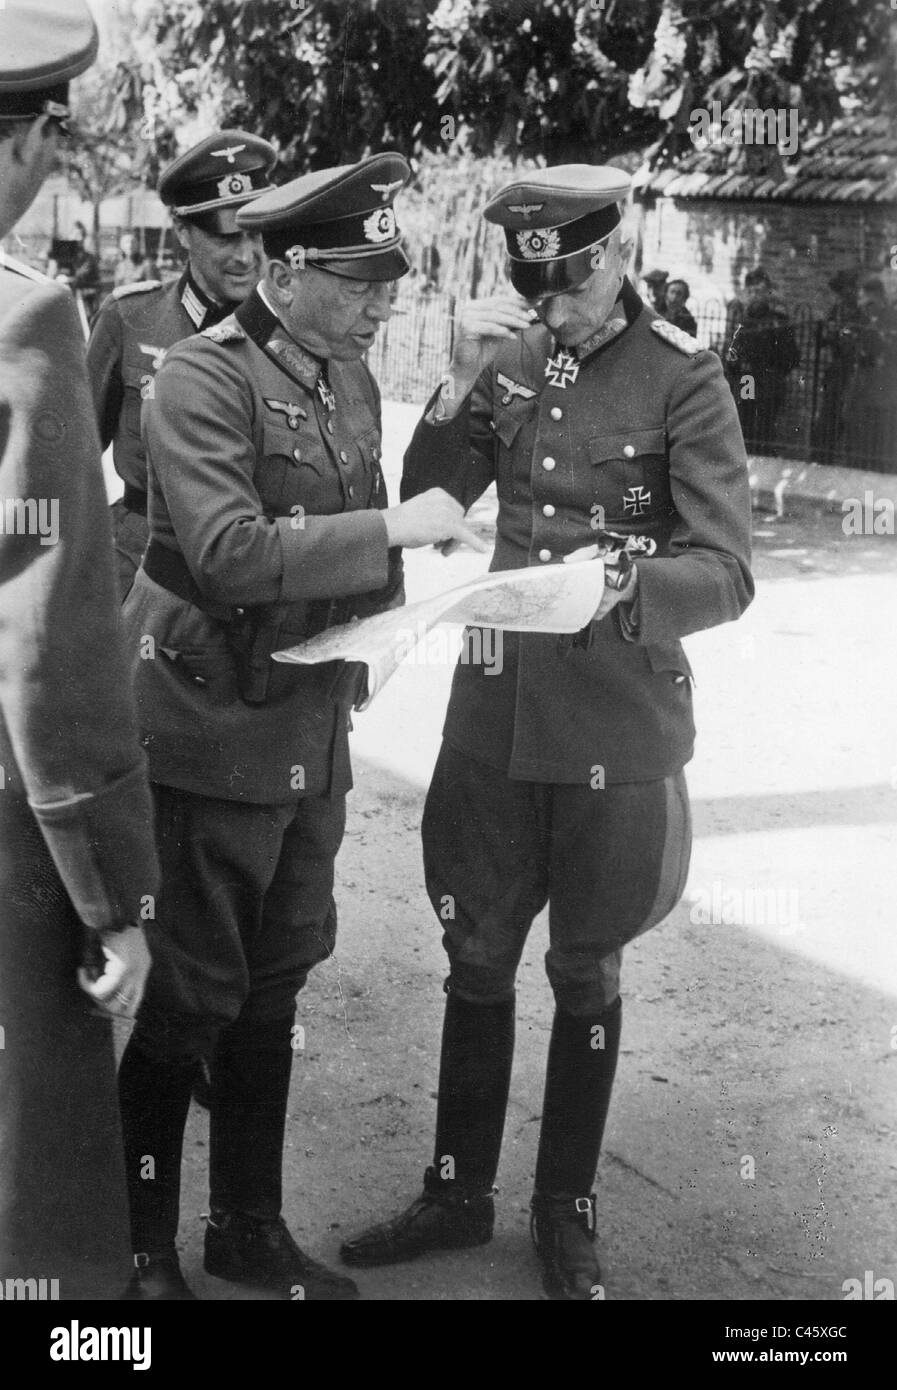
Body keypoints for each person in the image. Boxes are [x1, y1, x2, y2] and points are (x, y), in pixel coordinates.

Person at [340, 164, 754, 1299]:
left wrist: (626, 580)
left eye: (568, 282)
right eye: (535, 286)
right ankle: (455, 1188)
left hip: (615, 719)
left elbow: (726, 574)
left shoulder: (686, 378)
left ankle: (563, 1206)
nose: (554, 307)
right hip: (494, 711)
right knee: (474, 952)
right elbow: (427, 507)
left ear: (612, 255)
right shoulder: (509, 358)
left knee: (585, 965)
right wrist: (459, 379)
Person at [116, 152, 488, 1301]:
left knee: (276, 981)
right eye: (363, 278)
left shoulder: (347, 375)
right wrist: (392, 529)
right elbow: (229, 554)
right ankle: (140, 1252)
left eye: (391, 279)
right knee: (188, 991)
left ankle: (247, 1225)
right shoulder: (198, 377)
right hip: (210, 728)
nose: (387, 302)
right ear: (284, 270)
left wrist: (420, 566)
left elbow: (372, 530)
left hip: (308, 726)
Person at [0, 0, 158, 1300]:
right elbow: (49, 649)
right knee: (42, 1230)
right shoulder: (26, 321)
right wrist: (116, 896)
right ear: (22, 142)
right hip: (13, 850)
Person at [87, 130, 277, 599]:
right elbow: (74, 456)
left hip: (253, 568)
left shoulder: (289, 332)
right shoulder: (130, 318)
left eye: (256, 234)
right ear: (183, 231)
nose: (246, 255)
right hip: (139, 562)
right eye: (225, 236)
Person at [724, 267, 800, 453]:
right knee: (746, 414)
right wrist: (735, 367)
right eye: (752, 291)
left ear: (768, 292)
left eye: (761, 291)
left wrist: (780, 370)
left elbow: (791, 353)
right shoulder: (742, 319)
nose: (756, 295)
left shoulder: (778, 320)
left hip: (769, 377)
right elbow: (731, 348)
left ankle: (763, 457)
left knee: (766, 418)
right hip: (748, 377)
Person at [841, 274, 897, 472]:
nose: (865, 307)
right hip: (862, 391)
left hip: (884, 393)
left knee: (881, 446)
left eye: (870, 303)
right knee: (858, 443)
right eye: (863, 303)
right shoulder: (862, 319)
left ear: (881, 299)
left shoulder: (892, 320)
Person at [811, 269, 862, 464]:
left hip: (853, 370)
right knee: (828, 415)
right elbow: (822, 339)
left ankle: (847, 461)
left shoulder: (859, 313)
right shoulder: (836, 310)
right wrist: (826, 331)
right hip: (836, 369)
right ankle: (823, 457)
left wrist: (839, 335)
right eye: (842, 291)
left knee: (847, 416)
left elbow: (854, 343)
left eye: (848, 289)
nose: (844, 294)